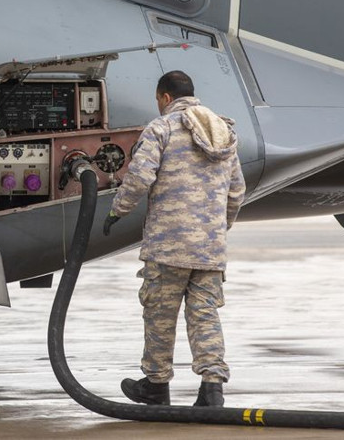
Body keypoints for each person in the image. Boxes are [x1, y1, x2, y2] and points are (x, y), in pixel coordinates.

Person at [103, 70, 245, 407]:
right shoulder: (222, 132)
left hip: (168, 246)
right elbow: (237, 191)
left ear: (166, 97)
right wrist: (217, 229)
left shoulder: (162, 128)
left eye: (158, 100)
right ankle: (212, 388)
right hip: (210, 248)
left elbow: (140, 177)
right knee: (204, 314)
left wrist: (117, 211)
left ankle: (156, 385)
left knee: (160, 315)